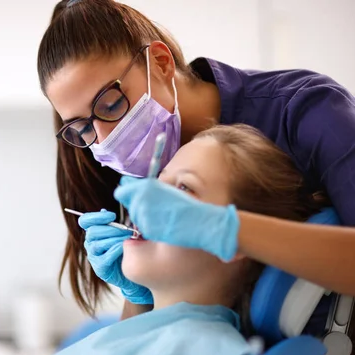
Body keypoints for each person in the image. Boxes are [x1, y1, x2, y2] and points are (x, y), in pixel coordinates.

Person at [38, 0, 355, 323]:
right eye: (83, 128)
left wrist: (228, 229)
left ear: (160, 63)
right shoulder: (135, 168)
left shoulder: (304, 111)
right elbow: (144, 332)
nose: (105, 141)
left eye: (110, 104)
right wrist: (139, 290)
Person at [0, 125, 354, 355]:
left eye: (182, 190)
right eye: (156, 184)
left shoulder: (200, 354)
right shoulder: (160, 333)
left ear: (235, 236)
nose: (148, 204)